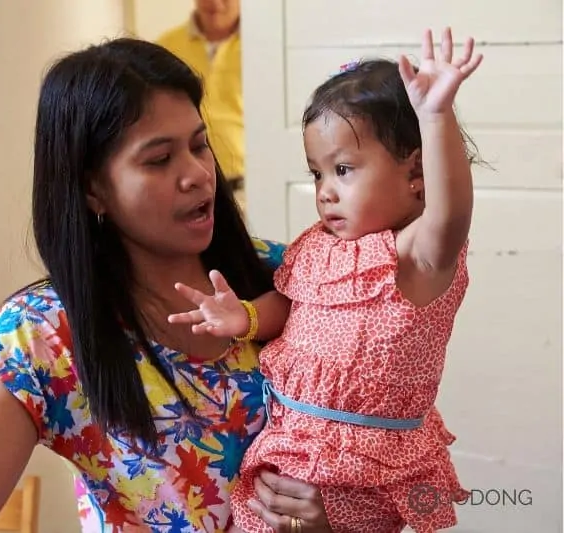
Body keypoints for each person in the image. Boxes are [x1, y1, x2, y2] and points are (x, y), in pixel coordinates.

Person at [0, 38, 332, 532]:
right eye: (159, 159)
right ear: (92, 189)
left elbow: (383, 428)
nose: (196, 173)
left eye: (198, 144)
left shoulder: (289, 278)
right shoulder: (46, 334)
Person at [168, 28, 483, 533]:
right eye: (317, 174)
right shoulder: (318, 246)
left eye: (343, 169)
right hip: (285, 449)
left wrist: (437, 117)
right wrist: (245, 317)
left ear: (416, 173)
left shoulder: (419, 258)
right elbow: (292, 310)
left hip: (362, 476)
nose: (326, 191)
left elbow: (451, 215)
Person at [156, 0, 245, 195]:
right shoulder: (165, 46)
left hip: (247, 187)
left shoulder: (261, 47)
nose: (214, 3)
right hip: (183, 185)